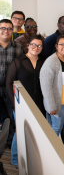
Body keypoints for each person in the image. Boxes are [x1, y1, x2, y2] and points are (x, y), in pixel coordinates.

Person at [6, 34, 45, 168]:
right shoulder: (17, 62)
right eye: (33, 44)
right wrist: (15, 105)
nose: (36, 47)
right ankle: (15, 159)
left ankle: (32, 156)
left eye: (39, 45)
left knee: (36, 131)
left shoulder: (43, 62)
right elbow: (8, 84)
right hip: (21, 104)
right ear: (28, 46)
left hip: (39, 104)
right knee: (20, 132)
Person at [40, 35, 64, 159]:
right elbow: (46, 86)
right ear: (56, 46)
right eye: (62, 44)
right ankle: (52, 153)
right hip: (59, 103)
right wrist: (51, 105)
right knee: (55, 129)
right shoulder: (51, 62)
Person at [0, 19, 23, 167]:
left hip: (10, 88)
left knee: (12, 116)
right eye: (3, 28)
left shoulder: (18, 48)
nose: (6, 31)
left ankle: (9, 143)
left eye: (9, 29)